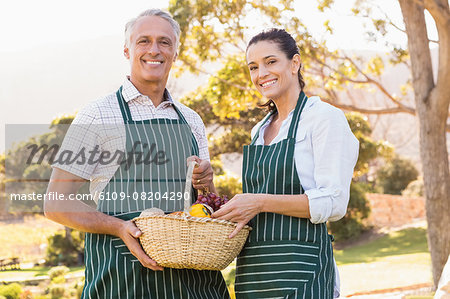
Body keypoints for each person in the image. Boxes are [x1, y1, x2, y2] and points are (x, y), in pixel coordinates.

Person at [44, 9, 229, 299]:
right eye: (144, 41)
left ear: (175, 53)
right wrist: (119, 228)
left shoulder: (191, 119)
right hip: (121, 280)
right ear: (127, 49)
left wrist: (206, 182)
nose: (154, 50)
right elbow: (55, 203)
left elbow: (206, 206)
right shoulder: (97, 114)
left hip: (193, 287)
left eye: (164, 42)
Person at [212, 28, 359, 298]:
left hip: (301, 271)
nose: (261, 74)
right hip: (254, 272)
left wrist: (259, 202)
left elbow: (334, 202)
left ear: (295, 63)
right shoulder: (259, 131)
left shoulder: (323, 118)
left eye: (271, 62)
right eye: (253, 67)